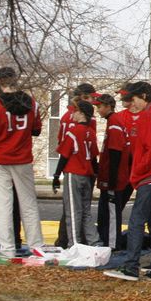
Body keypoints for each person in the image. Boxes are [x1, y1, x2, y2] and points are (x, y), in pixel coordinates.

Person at [104, 81, 151, 282]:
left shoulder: (149, 116)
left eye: (133, 99)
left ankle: (131, 266)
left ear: (144, 96)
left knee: (136, 220)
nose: (130, 104)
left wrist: (137, 172)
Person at [0, 67, 45, 258]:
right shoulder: (31, 104)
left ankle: (7, 249)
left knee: (2, 205)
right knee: (29, 204)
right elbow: (36, 130)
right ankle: (36, 246)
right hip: (22, 159)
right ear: (16, 80)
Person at [52, 100, 99, 246]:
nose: (72, 113)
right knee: (86, 211)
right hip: (87, 175)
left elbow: (65, 155)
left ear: (82, 114)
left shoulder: (73, 131)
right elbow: (93, 158)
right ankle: (93, 242)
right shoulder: (91, 132)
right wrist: (95, 175)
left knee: (73, 211)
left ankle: (75, 244)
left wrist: (56, 175)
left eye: (75, 111)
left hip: (74, 173)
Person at [95, 92, 135, 250]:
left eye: (99, 107)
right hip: (110, 176)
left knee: (111, 212)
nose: (98, 110)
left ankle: (112, 244)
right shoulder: (113, 121)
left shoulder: (114, 123)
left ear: (108, 106)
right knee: (104, 212)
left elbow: (115, 152)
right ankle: (107, 240)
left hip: (114, 178)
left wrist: (112, 179)